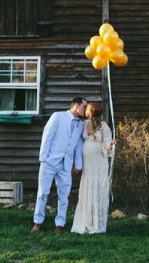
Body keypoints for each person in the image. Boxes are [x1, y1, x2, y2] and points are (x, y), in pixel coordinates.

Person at [32, 97, 87, 233]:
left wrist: (78, 165)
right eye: (84, 107)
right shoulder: (58, 116)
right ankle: (38, 222)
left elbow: (78, 145)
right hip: (50, 162)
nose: (85, 110)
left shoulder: (81, 125)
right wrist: (44, 159)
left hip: (66, 165)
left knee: (64, 195)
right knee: (43, 193)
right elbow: (47, 136)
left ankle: (60, 224)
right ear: (76, 105)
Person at [71, 102, 116, 234]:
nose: (85, 110)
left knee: (97, 188)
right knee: (87, 188)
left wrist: (111, 144)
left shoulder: (104, 126)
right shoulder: (84, 124)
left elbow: (107, 142)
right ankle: (86, 221)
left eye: (87, 109)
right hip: (87, 164)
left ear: (91, 111)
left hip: (98, 163)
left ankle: (97, 222)